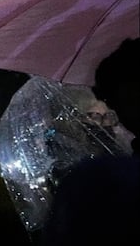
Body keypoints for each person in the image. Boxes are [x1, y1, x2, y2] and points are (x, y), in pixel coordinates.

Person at [42, 38, 140, 245]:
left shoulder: (99, 179)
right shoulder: (94, 173)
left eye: (107, 114)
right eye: (93, 117)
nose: (103, 123)